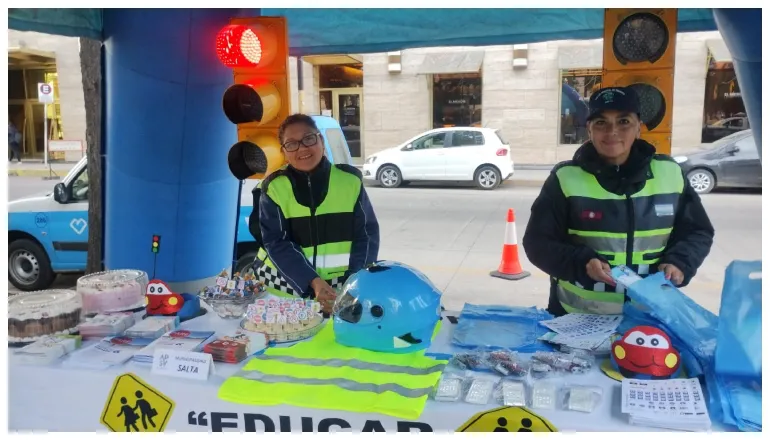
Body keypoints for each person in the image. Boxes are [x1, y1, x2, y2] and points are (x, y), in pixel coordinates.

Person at [522, 87, 715, 317]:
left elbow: (697, 232)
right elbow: (537, 243)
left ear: (638, 129)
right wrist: (582, 263)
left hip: (649, 320)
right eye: (601, 122)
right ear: (589, 130)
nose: (612, 131)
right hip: (576, 319)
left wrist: (680, 262)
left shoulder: (671, 173)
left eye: (623, 121)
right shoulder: (565, 178)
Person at [250, 113, 380, 313]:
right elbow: (276, 242)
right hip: (284, 293)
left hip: (339, 291)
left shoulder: (350, 181)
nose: (302, 148)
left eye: (309, 138)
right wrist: (312, 282)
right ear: (284, 151)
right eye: (291, 144)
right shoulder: (272, 188)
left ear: (321, 139)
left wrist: (354, 282)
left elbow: (366, 234)